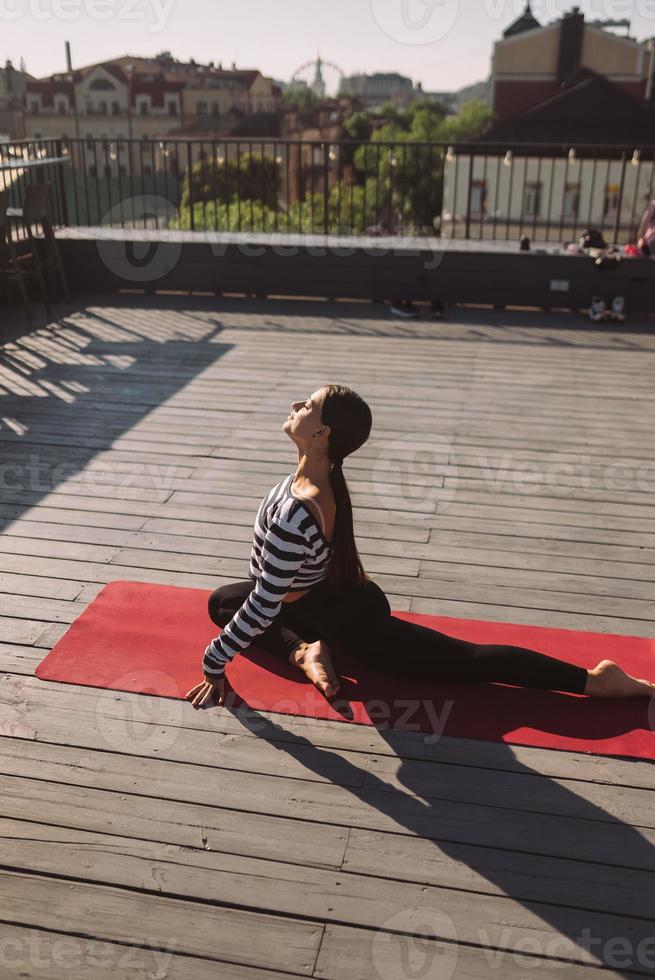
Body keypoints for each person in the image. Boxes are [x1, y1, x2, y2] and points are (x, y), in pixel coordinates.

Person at [185, 384, 655, 709]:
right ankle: (306, 652)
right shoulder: (318, 479)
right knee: (223, 601)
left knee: (465, 662)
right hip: (315, 601)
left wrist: (214, 662)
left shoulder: (300, 506)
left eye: (308, 403)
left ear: (322, 433)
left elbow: (265, 603)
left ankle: (594, 679)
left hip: (347, 619)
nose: (295, 403)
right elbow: (265, 595)